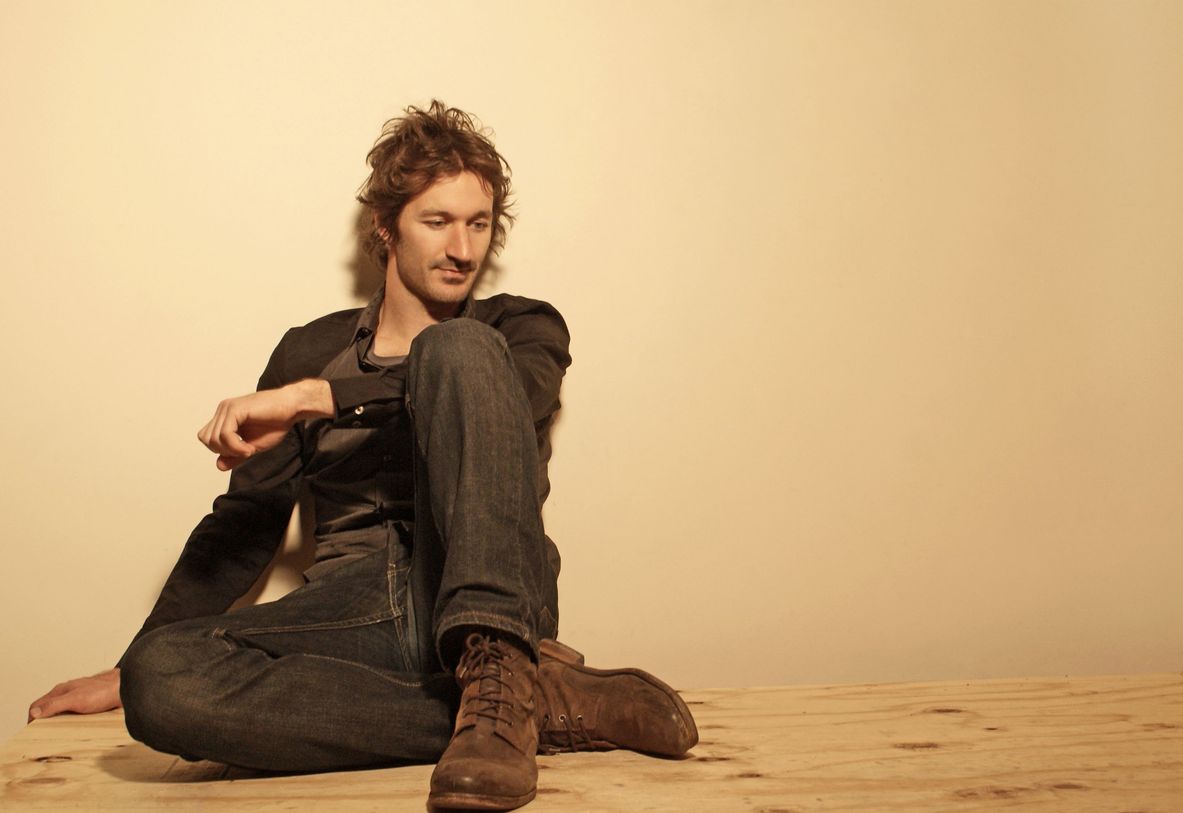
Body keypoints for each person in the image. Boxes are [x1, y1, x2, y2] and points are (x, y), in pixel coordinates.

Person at [27, 101, 697, 811]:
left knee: (457, 347)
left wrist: (320, 398)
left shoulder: (519, 329)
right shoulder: (308, 350)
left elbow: (514, 394)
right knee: (161, 678)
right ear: (385, 226)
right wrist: (130, 664)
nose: (462, 248)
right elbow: (246, 520)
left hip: (477, 595)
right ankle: (521, 708)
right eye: (437, 221)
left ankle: (499, 667)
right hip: (351, 609)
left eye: (478, 224)